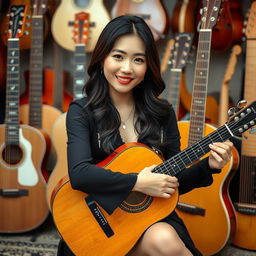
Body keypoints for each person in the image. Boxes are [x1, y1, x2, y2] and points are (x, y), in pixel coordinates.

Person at [57, 15, 233, 256]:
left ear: (148, 65)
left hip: (151, 219)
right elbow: (79, 174)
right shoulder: (81, 112)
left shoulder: (162, 113)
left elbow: (174, 180)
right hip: (98, 227)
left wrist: (209, 166)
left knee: (165, 240)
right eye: (118, 56)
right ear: (102, 59)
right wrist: (138, 183)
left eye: (138, 59)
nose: (127, 68)